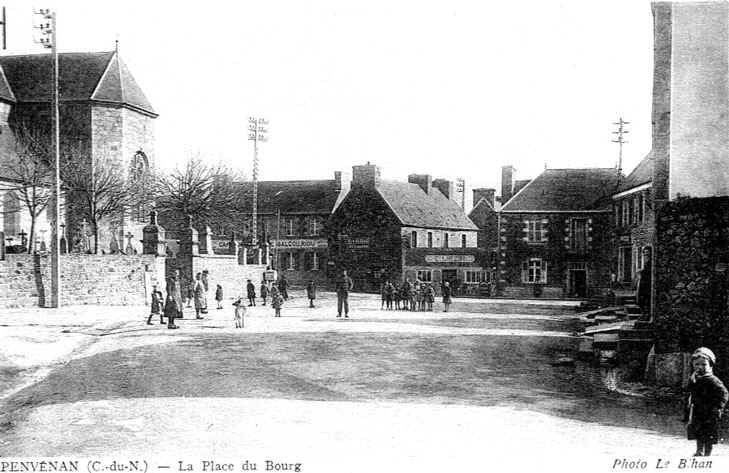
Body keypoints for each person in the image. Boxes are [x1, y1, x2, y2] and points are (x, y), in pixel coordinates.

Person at [684, 347, 729, 457]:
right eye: (697, 364)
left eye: (704, 364)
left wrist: (718, 407)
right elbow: (690, 391)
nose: (700, 367)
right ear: (693, 365)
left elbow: (724, 394)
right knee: (698, 431)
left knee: (709, 433)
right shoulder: (694, 378)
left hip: (710, 411)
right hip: (698, 409)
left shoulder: (712, 380)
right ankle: (699, 450)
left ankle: (707, 453)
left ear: (710, 365)